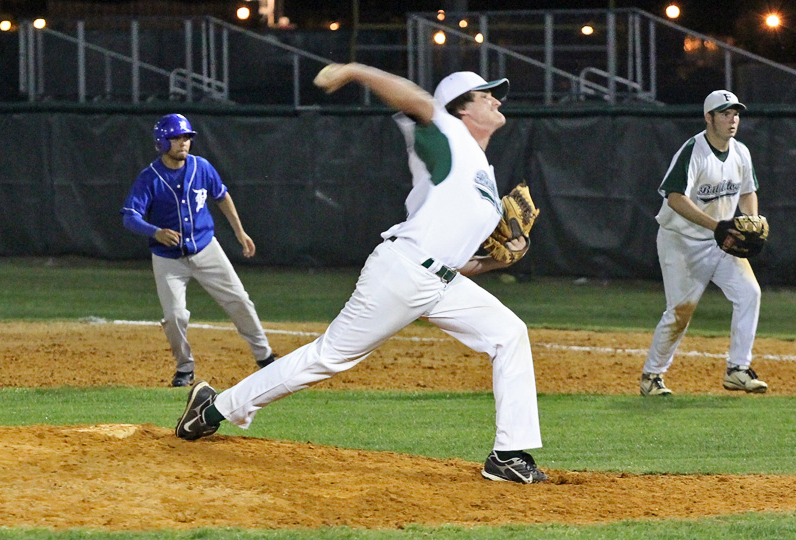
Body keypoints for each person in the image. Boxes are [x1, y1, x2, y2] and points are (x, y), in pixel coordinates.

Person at [175, 64, 548, 484]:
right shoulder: (447, 133)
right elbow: (415, 99)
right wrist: (354, 71)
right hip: (403, 271)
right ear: (460, 109)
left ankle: (507, 454)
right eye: (485, 94)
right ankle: (212, 409)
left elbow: (458, 261)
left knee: (509, 333)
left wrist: (502, 260)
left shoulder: (482, 173)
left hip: (441, 281)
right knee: (328, 357)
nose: (496, 100)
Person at [121, 113, 275, 387]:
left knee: (239, 299)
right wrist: (155, 231)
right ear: (162, 142)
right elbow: (130, 216)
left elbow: (221, 196)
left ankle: (265, 357)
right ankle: (184, 368)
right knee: (175, 316)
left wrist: (240, 232)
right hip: (168, 258)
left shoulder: (202, 167)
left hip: (206, 248)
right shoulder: (150, 178)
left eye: (187, 138)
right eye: (176, 138)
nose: (183, 143)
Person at [640, 90, 767, 396]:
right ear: (708, 118)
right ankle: (651, 377)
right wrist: (717, 226)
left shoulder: (741, 152)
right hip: (680, 241)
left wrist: (752, 218)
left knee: (750, 292)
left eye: (735, 113)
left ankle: (738, 369)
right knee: (680, 312)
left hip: (720, 242)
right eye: (724, 113)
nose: (732, 119)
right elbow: (674, 198)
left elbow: (748, 191)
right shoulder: (693, 151)